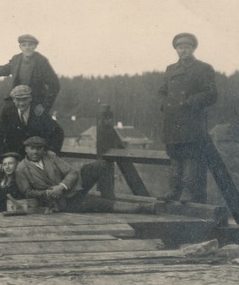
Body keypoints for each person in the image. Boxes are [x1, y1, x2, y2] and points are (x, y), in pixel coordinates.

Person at [15, 136, 154, 214]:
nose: (35, 152)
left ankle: (110, 200)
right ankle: (141, 208)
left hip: (71, 188)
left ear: (43, 149)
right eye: (32, 148)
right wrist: (48, 193)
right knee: (98, 204)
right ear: (26, 149)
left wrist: (61, 186)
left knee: (101, 165)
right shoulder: (21, 168)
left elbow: (71, 172)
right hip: (61, 202)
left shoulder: (50, 157)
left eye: (39, 148)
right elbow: (27, 192)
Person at [157, 33, 218, 203]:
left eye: (187, 47)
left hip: (191, 121)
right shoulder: (170, 69)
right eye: (180, 47)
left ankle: (190, 193)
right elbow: (162, 91)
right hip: (172, 121)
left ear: (193, 48)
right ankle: (174, 190)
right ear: (176, 49)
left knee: (191, 156)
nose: (184, 50)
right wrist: (164, 103)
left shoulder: (204, 68)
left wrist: (191, 101)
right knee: (175, 155)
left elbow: (212, 94)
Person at [0, 34, 60, 117]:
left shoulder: (42, 62)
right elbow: (3, 70)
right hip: (16, 102)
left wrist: (44, 106)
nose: (27, 48)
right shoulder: (16, 59)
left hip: (35, 104)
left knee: (41, 127)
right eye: (24, 45)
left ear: (35, 46)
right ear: (20, 47)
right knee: (2, 122)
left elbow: (55, 85)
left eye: (30, 45)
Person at [0, 85, 64, 159]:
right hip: (14, 155)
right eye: (18, 100)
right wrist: (0, 156)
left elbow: (58, 132)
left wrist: (52, 150)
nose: (21, 103)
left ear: (30, 98)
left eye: (24, 99)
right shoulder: (8, 110)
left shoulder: (38, 111)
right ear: (13, 100)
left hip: (35, 157)